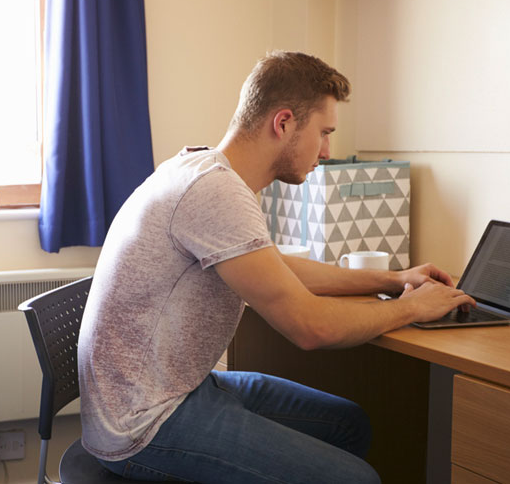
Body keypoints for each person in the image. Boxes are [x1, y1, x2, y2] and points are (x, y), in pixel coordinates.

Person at [76, 51, 476, 484]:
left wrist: (395, 279)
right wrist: (414, 307)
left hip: (171, 389)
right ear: (283, 123)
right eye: (324, 133)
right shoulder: (215, 191)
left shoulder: (199, 166)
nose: (327, 151)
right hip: (145, 423)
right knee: (357, 480)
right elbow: (311, 327)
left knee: (349, 425)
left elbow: (277, 268)